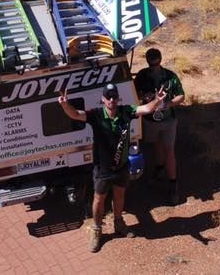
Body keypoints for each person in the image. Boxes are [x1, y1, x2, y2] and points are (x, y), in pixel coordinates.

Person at [58, 83, 166, 253]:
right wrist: (65, 104)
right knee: (99, 199)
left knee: (120, 195)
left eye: (114, 96)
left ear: (118, 98)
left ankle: (118, 223)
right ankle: (97, 230)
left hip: (122, 166)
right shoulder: (96, 115)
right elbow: (76, 115)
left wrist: (157, 101)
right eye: (108, 97)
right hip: (103, 169)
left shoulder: (126, 111)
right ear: (103, 99)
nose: (111, 100)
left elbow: (145, 109)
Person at [134, 48, 185, 205]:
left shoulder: (168, 77)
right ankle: (161, 167)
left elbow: (181, 96)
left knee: (169, 149)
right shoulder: (145, 76)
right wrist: (145, 97)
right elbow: (135, 95)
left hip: (166, 119)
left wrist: (167, 104)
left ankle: (173, 183)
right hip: (151, 119)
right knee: (158, 144)